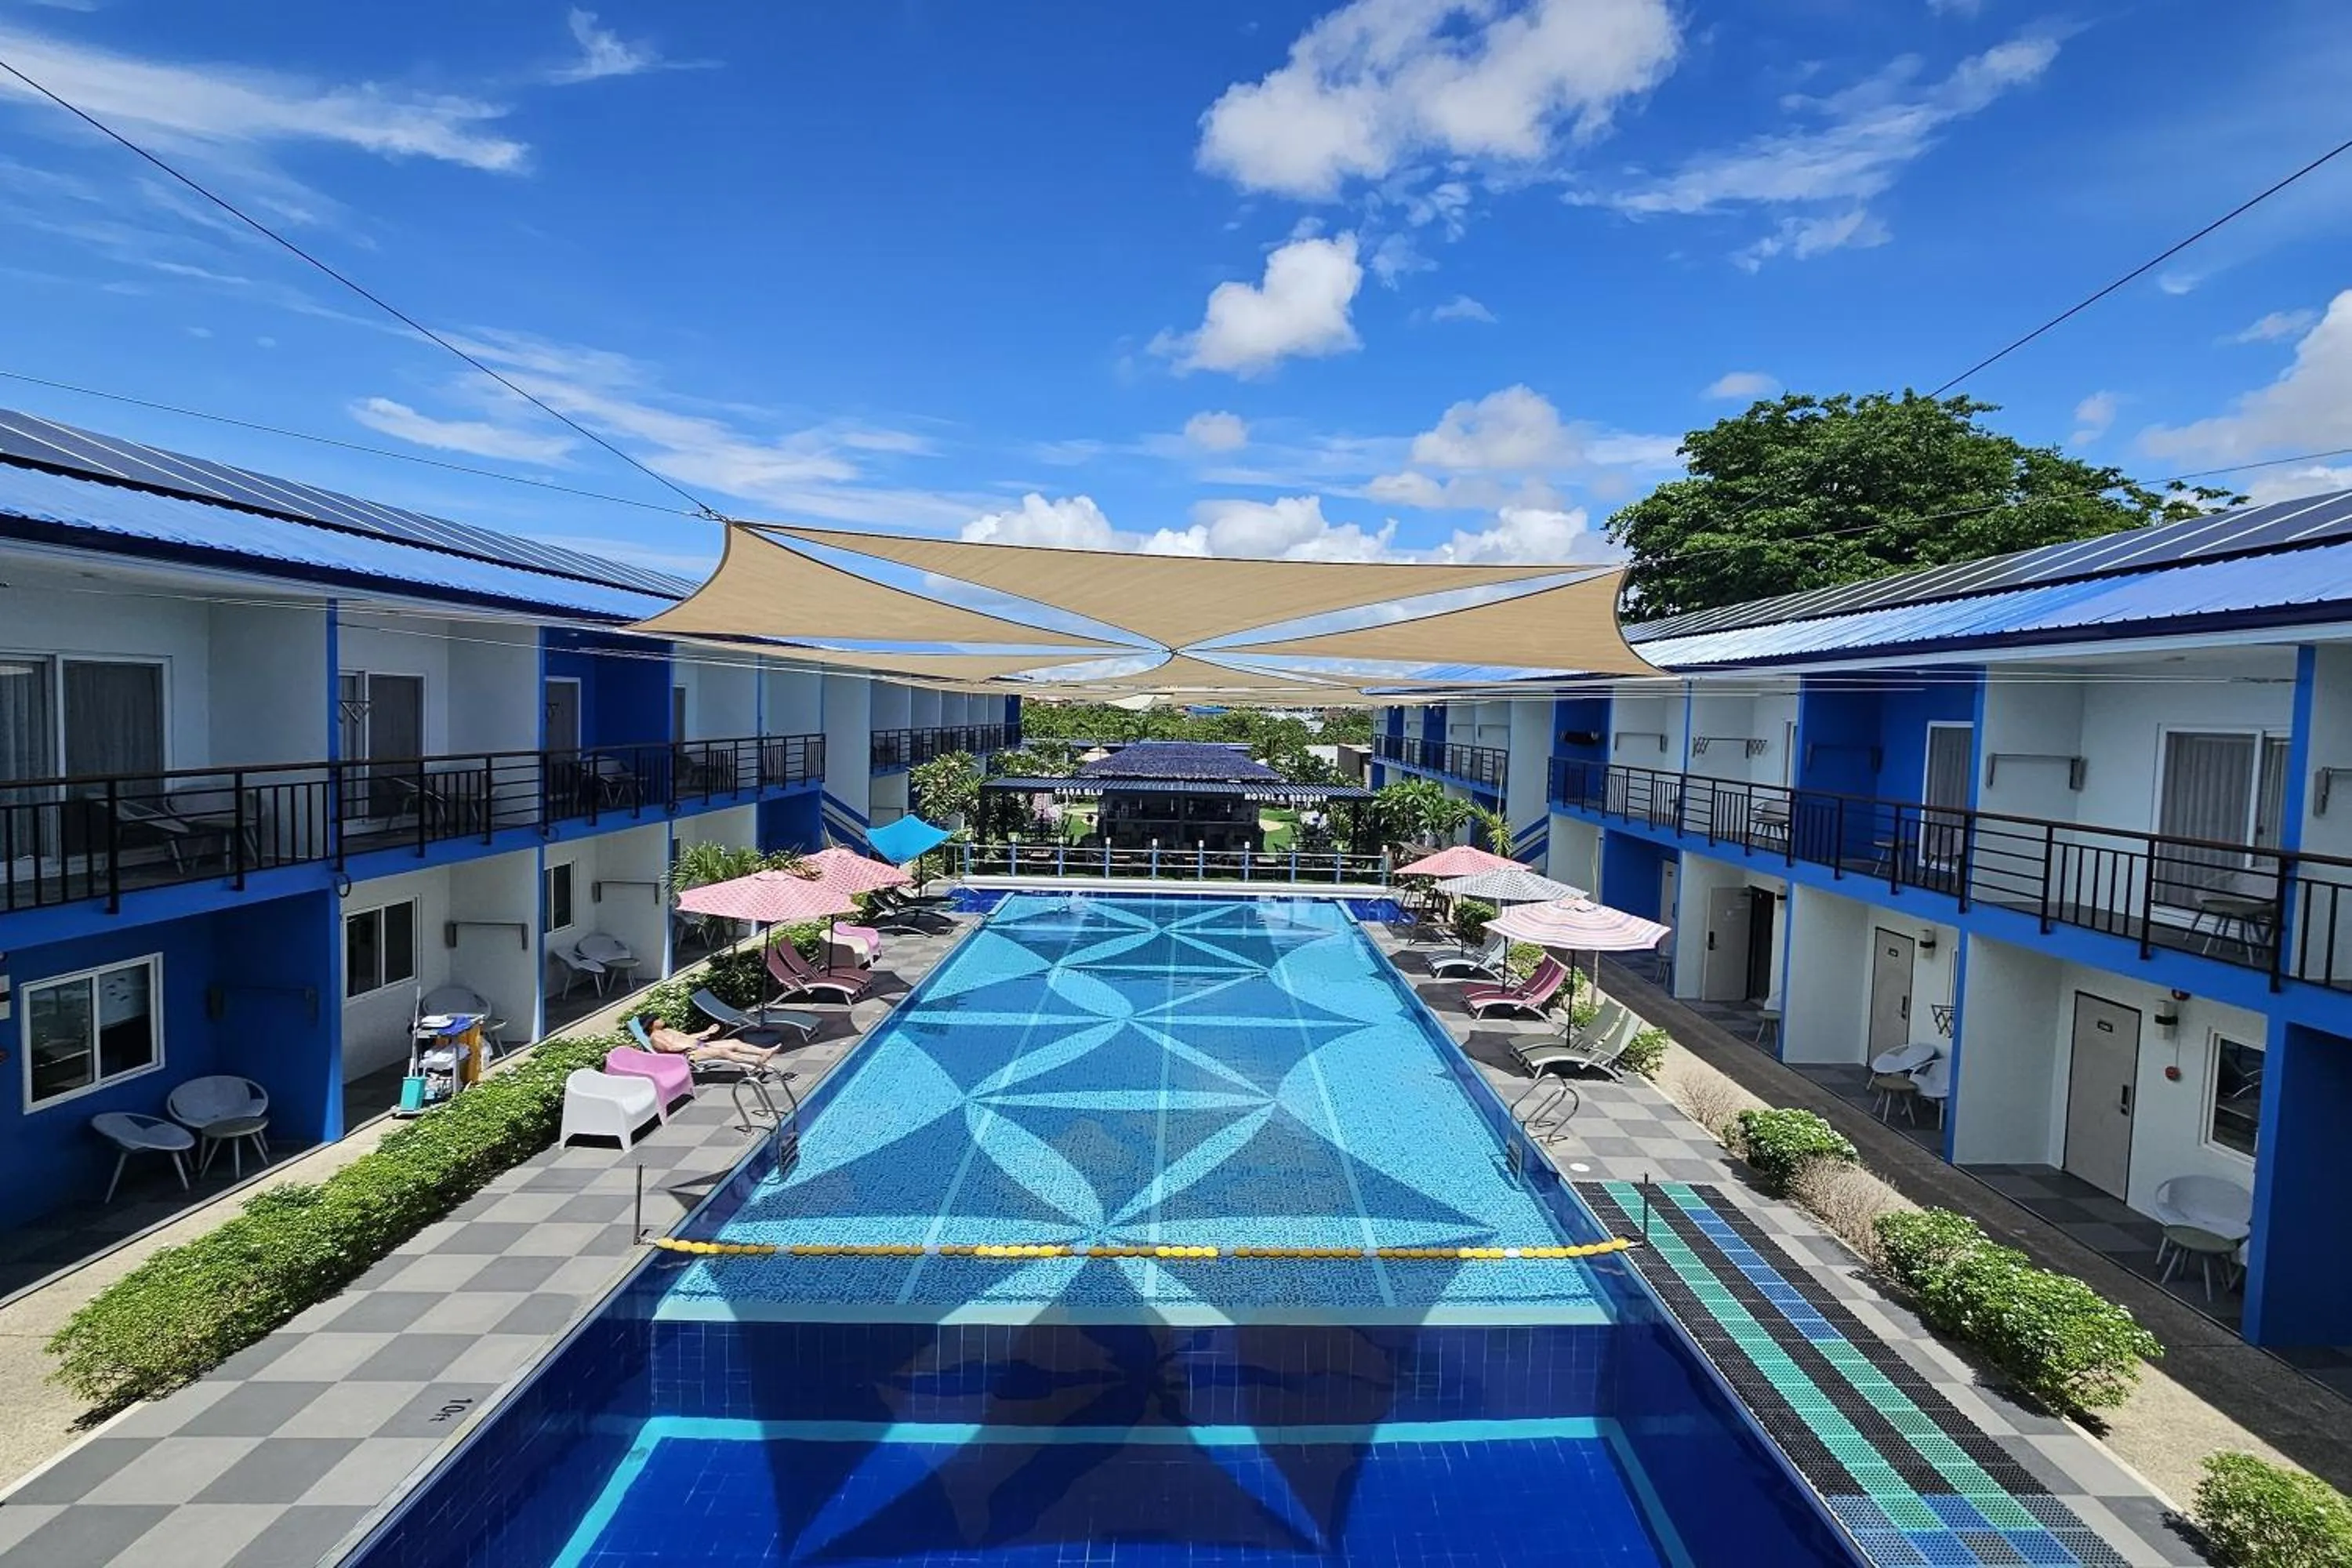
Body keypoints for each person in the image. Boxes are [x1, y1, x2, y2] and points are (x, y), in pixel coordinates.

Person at [630, 1014, 779, 1071]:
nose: (661, 1019)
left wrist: (707, 1032)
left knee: (734, 1042)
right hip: (688, 1055)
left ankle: (764, 1052)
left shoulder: (668, 1031)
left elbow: (687, 1037)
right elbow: (670, 1047)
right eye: (657, 1019)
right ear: (651, 1025)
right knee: (723, 1052)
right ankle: (756, 1061)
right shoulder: (655, 1038)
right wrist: (688, 1045)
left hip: (698, 1046)